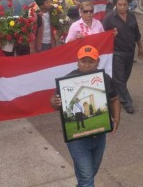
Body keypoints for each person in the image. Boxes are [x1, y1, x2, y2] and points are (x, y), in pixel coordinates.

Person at [50, 45, 120, 187]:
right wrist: (55, 101)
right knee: (87, 179)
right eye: (83, 61)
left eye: (91, 61)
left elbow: (114, 99)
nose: (87, 65)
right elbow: (54, 100)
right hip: (77, 140)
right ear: (77, 61)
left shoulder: (104, 79)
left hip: (99, 136)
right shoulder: (68, 80)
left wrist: (117, 118)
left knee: (90, 173)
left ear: (98, 62)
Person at [103, 0, 143, 114]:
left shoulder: (131, 16)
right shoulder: (109, 18)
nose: (122, 7)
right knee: (120, 79)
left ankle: (113, 95)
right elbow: (103, 36)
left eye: (125, 5)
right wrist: (111, 35)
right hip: (116, 53)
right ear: (116, 4)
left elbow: (137, 33)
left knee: (124, 77)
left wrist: (140, 48)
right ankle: (127, 102)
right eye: (120, 4)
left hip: (130, 52)